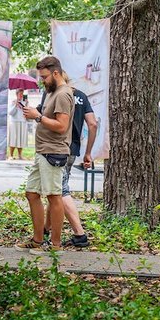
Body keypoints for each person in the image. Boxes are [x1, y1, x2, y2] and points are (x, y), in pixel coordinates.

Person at [18, 56, 74, 254]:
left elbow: (62, 126)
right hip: (42, 150)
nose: (42, 80)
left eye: (44, 77)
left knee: (54, 196)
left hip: (54, 151)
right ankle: (37, 240)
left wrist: (38, 117)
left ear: (55, 73)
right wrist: (35, 114)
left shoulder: (63, 94)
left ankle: (56, 245)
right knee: (32, 193)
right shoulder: (51, 92)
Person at [46, 86, 98, 248]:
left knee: (61, 190)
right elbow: (92, 124)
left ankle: (79, 234)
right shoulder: (81, 95)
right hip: (73, 149)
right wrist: (88, 152)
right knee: (54, 189)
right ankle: (45, 228)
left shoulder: (56, 95)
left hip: (56, 147)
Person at [7, 88, 30, 161]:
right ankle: (11, 155)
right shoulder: (13, 101)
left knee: (21, 138)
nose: (21, 95)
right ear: (17, 94)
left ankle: (20, 155)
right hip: (14, 122)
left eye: (22, 93)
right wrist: (15, 105)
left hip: (22, 121)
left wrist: (26, 104)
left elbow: (27, 112)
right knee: (14, 138)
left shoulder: (25, 102)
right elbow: (10, 113)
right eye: (20, 93)